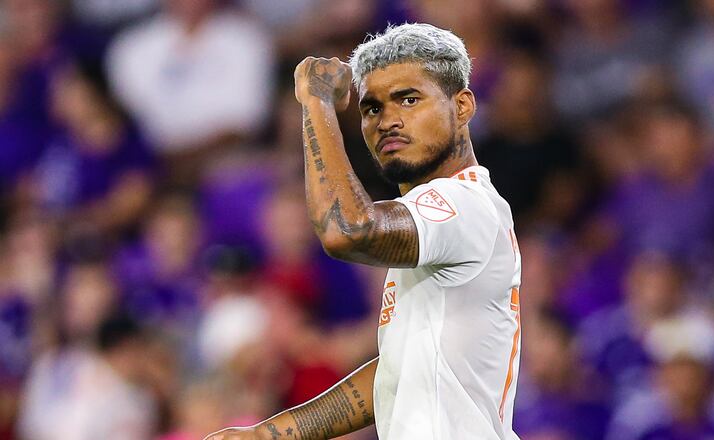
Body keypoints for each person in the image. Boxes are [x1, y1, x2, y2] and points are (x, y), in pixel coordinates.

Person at [205, 23, 522, 440]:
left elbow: (347, 231)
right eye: (372, 108)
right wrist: (273, 434)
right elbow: (396, 372)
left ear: (462, 106)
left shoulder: (465, 203)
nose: (388, 120)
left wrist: (316, 102)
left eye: (409, 99)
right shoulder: (428, 225)